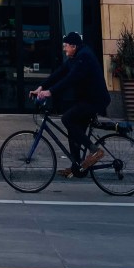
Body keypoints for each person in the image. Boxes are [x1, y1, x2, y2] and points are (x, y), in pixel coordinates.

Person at [29, 31, 110, 178]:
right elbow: (59, 73)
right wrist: (41, 87)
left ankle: (95, 150)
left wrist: (50, 92)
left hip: (95, 100)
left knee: (67, 119)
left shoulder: (84, 57)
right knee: (74, 133)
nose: (64, 49)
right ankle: (77, 168)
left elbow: (70, 79)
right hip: (85, 99)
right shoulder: (75, 57)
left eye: (66, 46)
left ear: (74, 46)